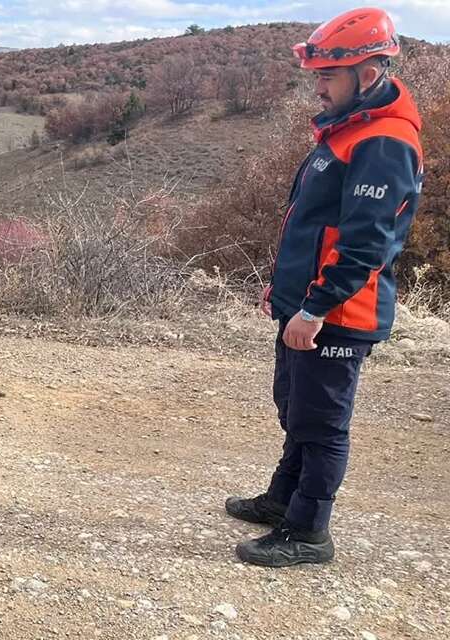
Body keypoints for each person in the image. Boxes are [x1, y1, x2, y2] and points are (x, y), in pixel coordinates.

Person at [225, 7, 423, 567]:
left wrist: (312, 308)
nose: (319, 86)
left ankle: (309, 532)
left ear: (369, 73)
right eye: (316, 75)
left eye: (328, 75)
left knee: (322, 423)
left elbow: (364, 246)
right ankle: (283, 499)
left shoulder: (383, 143)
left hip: (339, 313)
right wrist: (284, 293)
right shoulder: (348, 129)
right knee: (297, 408)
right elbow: (311, 225)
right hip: (308, 304)